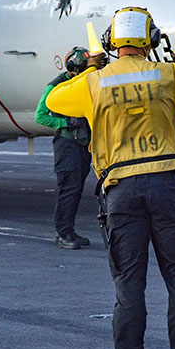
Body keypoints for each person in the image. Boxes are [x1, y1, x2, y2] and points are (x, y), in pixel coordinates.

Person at [46, 7, 175, 349]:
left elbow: (52, 102)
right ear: (151, 39)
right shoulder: (169, 75)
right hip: (167, 186)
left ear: (112, 42)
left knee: (129, 284)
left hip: (121, 192)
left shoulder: (93, 83)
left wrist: (89, 69)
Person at [34, 46, 102, 249]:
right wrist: (64, 124)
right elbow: (40, 116)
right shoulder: (56, 85)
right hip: (67, 144)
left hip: (82, 143)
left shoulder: (83, 83)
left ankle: (67, 231)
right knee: (69, 189)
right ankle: (63, 233)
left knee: (77, 188)